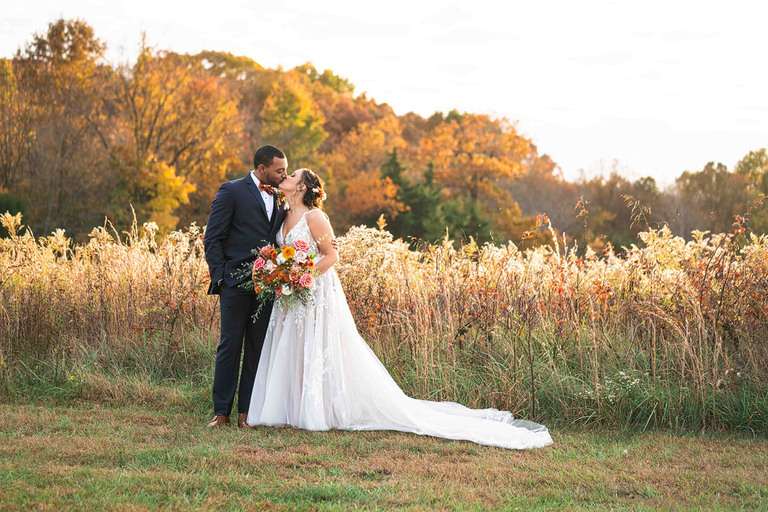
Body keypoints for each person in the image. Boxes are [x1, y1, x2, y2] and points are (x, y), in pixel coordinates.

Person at [246, 168, 553, 450]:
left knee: (316, 345)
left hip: (314, 290)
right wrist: (279, 273)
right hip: (290, 294)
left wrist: (303, 277)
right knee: (294, 346)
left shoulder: (315, 217)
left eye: (293, 173)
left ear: (302, 186)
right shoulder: (283, 214)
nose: (286, 175)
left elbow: (331, 256)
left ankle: (316, 411)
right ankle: (289, 408)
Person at [203, 145, 287, 428]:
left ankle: (247, 413)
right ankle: (221, 412)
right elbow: (212, 237)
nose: (284, 174)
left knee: (257, 348)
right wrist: (222, 277)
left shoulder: (281, 198)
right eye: (279, 170)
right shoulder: (232, 190)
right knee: (230, 345)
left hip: (268, 286)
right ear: (262, 169)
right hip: (235, 282)